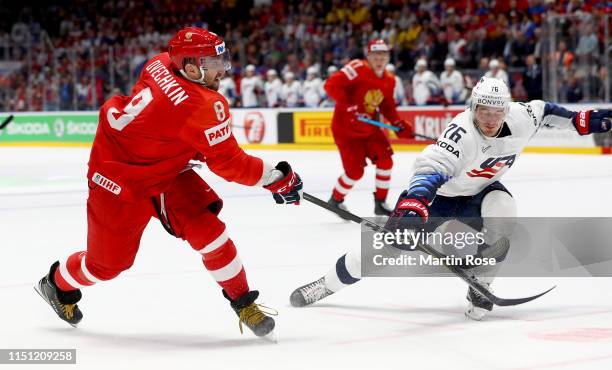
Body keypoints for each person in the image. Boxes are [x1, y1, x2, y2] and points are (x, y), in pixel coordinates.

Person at [35, 27, 303, 337]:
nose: (223, 70)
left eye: (221, 60)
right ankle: (55, 284)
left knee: (210, 233)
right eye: (214, 63)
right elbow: (229, 164)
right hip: (118, 180)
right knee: (105, 266)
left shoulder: (160, 62)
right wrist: (276, 178)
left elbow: (165, 121)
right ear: (191, 67)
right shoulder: (203, 104)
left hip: (162, 170)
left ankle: (243, 302)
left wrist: (188, 145)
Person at [290, 76, 611, 320]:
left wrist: (582, 120)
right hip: (439, 197)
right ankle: (326, 284)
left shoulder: (521, 117)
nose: (489, 119)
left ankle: (480, 285)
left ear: (506, 109)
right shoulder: (462, 134)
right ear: (473, 108)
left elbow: (546, 111)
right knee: (382, 250)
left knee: (505, 211)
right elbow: (430, 170)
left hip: (480, 192)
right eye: (483, 111)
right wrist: (412, 209)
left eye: (496, 111)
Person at [324, 39, 414, 218]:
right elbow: (330, 85)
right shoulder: (356, 68)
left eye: (383, 55)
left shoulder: (389, 79)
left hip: (369, 128)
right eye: (375, 55)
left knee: (386, 160)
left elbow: (387, 106)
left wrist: (397, 124)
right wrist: (348, 106)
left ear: (388, 57)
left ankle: (380, 203)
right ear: (368, 56)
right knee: (355, 172)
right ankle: (336, 199)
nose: (379, 59)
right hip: (346, 129)